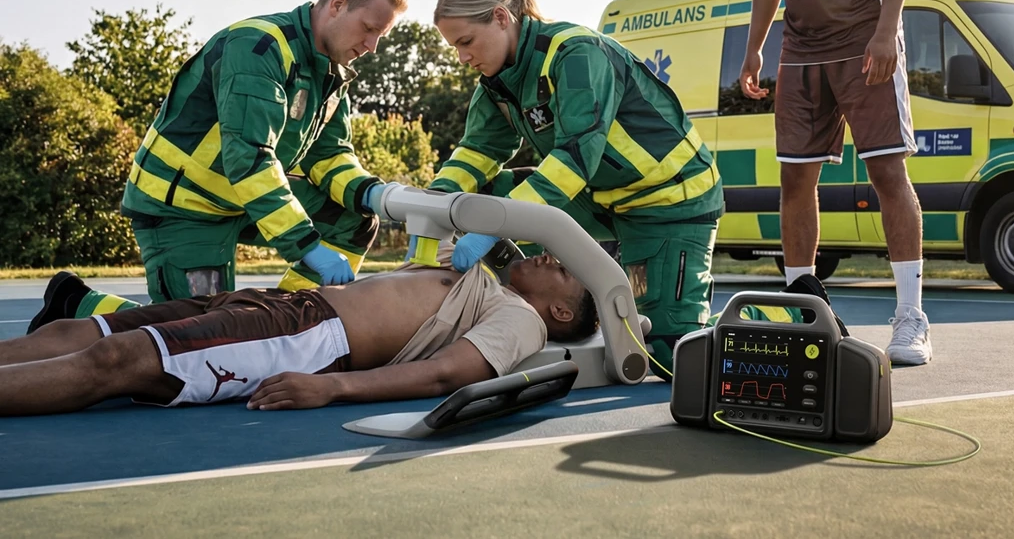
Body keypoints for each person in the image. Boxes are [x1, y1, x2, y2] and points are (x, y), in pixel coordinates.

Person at [425, 0, 725, 380]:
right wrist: (433, 203)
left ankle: (784, 315)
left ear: (499, 18)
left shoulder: (577, 54)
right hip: (603, 197)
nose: (461, 57)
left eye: (465, 42)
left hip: (668, 200)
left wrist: (496, 226)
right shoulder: (497, 82)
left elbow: (575, 158)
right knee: (478, 195)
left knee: (671, 355)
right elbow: (478, 152)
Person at [79, 0, 407, 323]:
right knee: (201, 332)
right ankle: (77, 305)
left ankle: (284, 320)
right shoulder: (258, 47)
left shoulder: (330, 74)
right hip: (183, 206)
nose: (373, 45)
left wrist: (372, 194)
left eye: (381, 35)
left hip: (238, 199)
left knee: (353, 218)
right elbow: (250, 157)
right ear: (337, 5)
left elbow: (329, 156)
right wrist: (308, 246)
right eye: (368, 28)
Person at [3, 241, 598, 416]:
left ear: (563, 312)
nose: (550, 258)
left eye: (563, 270)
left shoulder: (524, 321)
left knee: (117, 360)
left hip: (313, 337)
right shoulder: (487, 281)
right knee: (76, 333)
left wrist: (334, 388)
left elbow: (449, 372)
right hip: (283, 306)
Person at [739, 0, 932, 365]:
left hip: (866, 34)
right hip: (802, 45)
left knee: (886, 170)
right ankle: (801, 309)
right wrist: (754, 46)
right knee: (794, 178)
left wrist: (887, 31)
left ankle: (911, 316)